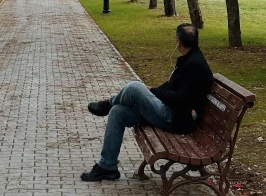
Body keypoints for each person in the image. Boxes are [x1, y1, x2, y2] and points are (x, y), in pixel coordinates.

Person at [81, 23, 213, 182]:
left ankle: (107, 104)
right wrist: (153, 91)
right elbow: (173, 88)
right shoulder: (190, 59)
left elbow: (181, 98)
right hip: (173, 112)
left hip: (177, 119)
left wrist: (153, 92)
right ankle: (107, 167)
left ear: (178, 41)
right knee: (118, 112)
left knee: (135, 87)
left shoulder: (194, 65)